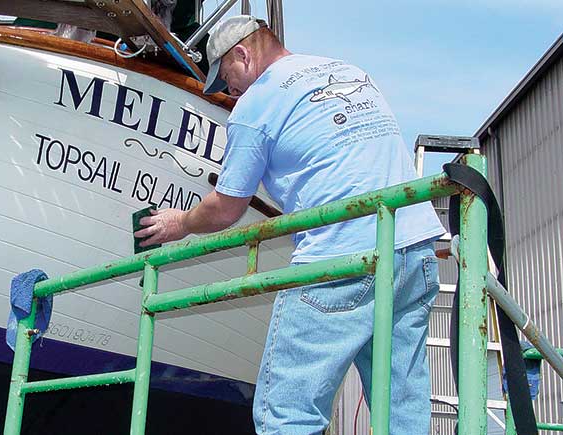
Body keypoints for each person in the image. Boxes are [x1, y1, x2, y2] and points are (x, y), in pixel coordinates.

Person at [134, 15, 445, 435]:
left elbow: (228, 208)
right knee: (401, 409)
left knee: (288, 413)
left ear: (241, 55)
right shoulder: (348, 71)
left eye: (226, 80)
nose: (228, 92)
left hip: (342, 256)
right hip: (414, 251)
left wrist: (182, 223)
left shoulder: (258, 103)